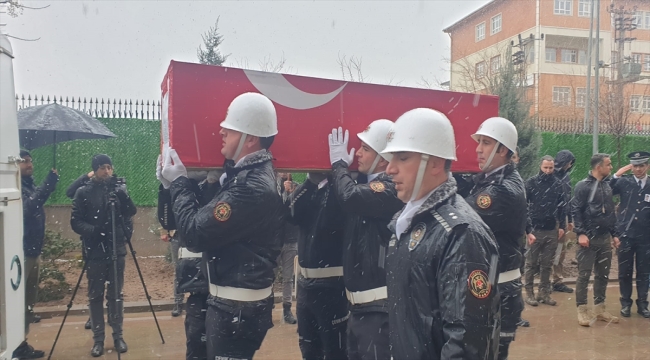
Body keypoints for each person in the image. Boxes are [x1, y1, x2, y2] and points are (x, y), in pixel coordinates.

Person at [161, 92, 283, 360]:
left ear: (250, 139)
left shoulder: (249, 187)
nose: (221, 131)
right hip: (235, 304)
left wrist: (180, 184)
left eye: (230, 128)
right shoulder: (248, 176)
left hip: (235, 309)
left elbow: (193, 233)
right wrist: (209, 181)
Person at [382, 108, 500, 359]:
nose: (389, 169)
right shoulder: (405, 223)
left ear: (435, 163)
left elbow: (467, 342)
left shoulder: (461, 233)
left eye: (402, 158)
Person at [328, 120, 403, 360]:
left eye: (365, 148)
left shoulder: (390, 187)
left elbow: (350, 197)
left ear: (383, 159)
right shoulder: (365, 184)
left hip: (379, 309)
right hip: (360, 308)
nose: (357, 153)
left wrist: (339, 166)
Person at [465, 117, 527, 359]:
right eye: (479, 142)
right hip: (492, 285)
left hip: (498, 290)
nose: (478, 148)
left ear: (503, 150)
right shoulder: (490, 179)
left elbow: (461, 213)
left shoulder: (502, 189)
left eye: (486, 143)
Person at [70, 154, 137, 357]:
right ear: (95, 170)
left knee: (116, 295)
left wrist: (124, 235)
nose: (107, 171)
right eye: (102, 168)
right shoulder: (83, 192)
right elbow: (76, 222)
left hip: (116, 249)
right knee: (95, 295)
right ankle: (98, 339)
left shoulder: (118, 191)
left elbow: (130, 214)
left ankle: (118, 336)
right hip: (95, 251)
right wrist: (94, 231)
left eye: (109, 167)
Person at [157, 169, 219, 360]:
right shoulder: (184, 185)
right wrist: (167, 188)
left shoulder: (224, 182)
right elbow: (168, 221)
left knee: (219, 342)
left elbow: (213, 218)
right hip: (195, 278)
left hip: (220, 275)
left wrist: (212, 184)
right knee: (196, 338)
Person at [287, 167, 348, 360]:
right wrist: (310, 182)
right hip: (306, 287)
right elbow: (290, 213)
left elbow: (333, 218)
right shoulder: (311, 190)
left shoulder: (346, 190)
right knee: (308, 349)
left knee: (335, 351)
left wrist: (340, 173)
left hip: (333, 287)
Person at [14, 150, 58, 360]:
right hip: (21, 252)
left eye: (30, 160)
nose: (29, 164)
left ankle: (22, 342)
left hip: (33, 250)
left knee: (29, 300)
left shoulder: (28, 184)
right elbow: (29, 207)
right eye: (24, 161)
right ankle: (15, 343)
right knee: (17, 300)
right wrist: (48, 184)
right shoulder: (16, 187)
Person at [571, 153, 620, 327]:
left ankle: (600, 308)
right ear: (599, 167)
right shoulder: (582, 186)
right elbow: (576, 210)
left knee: (603, 275)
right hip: (588, 240)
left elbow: (611, 213)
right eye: (609, 164)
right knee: (584, 275)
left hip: (604, 239)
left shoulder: (607, 187)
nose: (611, 167)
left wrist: (614, 234)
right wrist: (581, 233)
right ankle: (582, 310)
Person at [610, 151, 650, 318]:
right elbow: (606, 190)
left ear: (647, 166)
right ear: (631, 167)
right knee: (625, 271)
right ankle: (625, 303)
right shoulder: (624, 183)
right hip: (625, 234)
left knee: (644, 271)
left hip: (646, 236)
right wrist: (616, 174)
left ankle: (642, 304)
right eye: (635, 166)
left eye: (641, 165)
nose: (638, 169)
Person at [524, 155, 566, 308]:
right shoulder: (531, 183)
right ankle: (529, 293)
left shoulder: (557, 184)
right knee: (531, 263)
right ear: (540, 167)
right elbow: (524, 205)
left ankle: (544, 293)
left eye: (551, 168)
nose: (548, 171)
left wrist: (562, 226)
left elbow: (562, 206)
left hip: (551, 229)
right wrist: (527, 229)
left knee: (548, 264)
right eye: (545, 168)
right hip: (534, 229)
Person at [66, 170, 95, 331]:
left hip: (110, 243)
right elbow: (69, 192)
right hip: (90, 242)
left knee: (113, 285)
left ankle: (113, 316)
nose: (105, 171)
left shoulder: (111, 186)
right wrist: (85, 177)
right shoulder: (85, 188)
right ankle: (93, 315)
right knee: (93, 282)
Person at [552, 150, 576, 294]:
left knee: (560, 251)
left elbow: (568, 199)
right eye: (569, 162)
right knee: (548, 251)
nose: (570, 165)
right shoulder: (551, 176)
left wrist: (570, 219)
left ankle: (557, 280)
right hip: (550, 220)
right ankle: (545, 282)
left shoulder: (566, 178)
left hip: (563, 219)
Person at [277, 172, 299, 324]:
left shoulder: (296, 187)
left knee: (288, 278)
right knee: (268, 276)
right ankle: (265, 309)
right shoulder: (272, 187)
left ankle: (287, 309)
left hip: (291, 240)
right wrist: (281, 189)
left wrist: (292, 194)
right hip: (274, 240)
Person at [512, 147, 530, 329]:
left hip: (517, 240)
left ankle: (515, 315)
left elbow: (524, 211)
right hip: (505, 241)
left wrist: (529, 230)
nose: (512, 161)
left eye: (514, 157)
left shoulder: (519, 182)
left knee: (517, 277)